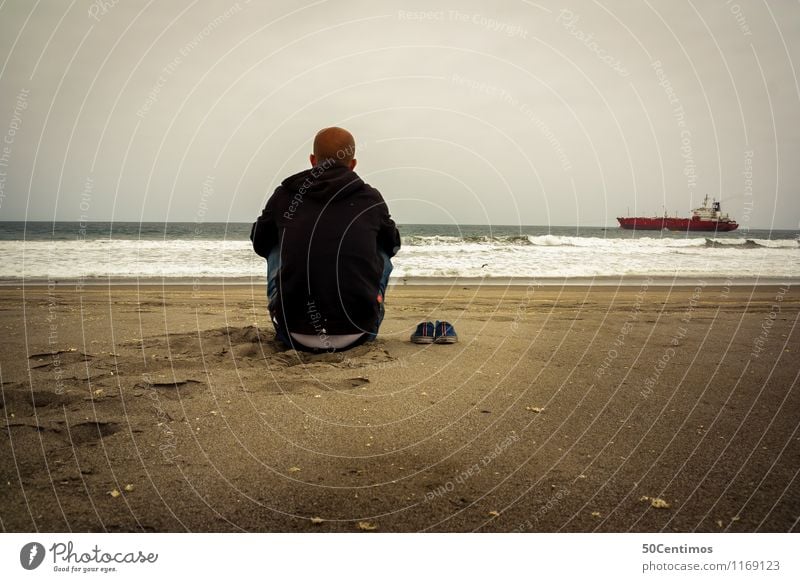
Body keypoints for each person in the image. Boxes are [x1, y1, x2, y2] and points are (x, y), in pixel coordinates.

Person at [250, 127, 401, 352]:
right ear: (353, 164)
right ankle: (366, 306)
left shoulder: (285, 195)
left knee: (274, 245)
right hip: (359, 334)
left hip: (292, 335)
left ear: (313, 160)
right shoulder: (370, 198)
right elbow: (393, 244)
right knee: (383, 251)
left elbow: (260, 242)